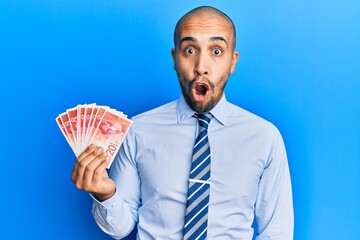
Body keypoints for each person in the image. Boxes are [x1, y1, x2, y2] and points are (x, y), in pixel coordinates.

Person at [71, 6, 294, 240]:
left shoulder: (265, 137)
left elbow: (277, 232)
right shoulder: (137, 130)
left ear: (232, 61)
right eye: (189, 50)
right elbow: (120, 229)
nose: (201, 67)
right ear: (175, 58)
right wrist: (105, 194)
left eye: (216, 51)